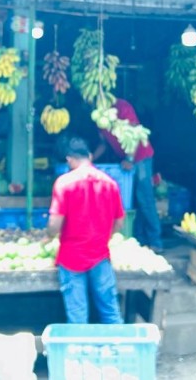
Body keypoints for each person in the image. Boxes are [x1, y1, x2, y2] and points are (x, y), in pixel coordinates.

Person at [47, 137, 125, 325]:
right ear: (90, 156)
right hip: (100, 256)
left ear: (69, 159)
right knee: (111, 313)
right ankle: (118, 344)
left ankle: (79, 346)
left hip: (71, 257)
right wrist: (105, 237)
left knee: (78, 316)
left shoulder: (64, 183)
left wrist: (48, 236)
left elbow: (54, 224)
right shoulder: (110, 183)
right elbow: (120, 222)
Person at [93, 98, 163, 252]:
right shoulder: (100, 117)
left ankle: (156, 241)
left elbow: (134, 133)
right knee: (134, 200)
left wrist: (130, 158)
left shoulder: (122, 107)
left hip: (141, 157)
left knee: (145, 197)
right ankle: (140, 239)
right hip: (126, 161)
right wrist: (90, 159)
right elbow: (103, 144)